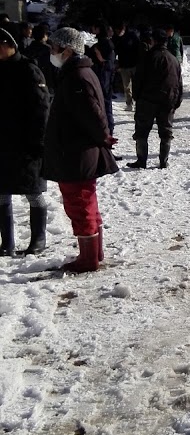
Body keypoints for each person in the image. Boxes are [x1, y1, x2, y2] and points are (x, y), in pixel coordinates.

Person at [43, 27, 118, 273]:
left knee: (80, 204)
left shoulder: (76, 77)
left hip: (76, 153)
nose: (51, 53)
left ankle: (88, 259)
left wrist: (103, 137)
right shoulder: (80, 72)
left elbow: (93, 115)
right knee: (87, 202)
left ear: (66, 49)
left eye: (54, 48)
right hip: (78, 151)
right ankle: (94, 252)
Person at [0, 27, 50, 256]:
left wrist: (38, 142)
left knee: (34, 192)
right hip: (3, 142)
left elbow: (41, 110)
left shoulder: (29, 70)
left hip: (26, 144)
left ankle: (38, 240)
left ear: (8, 45)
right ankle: (6, 243)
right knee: (1, 192)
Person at [127, 29, 182, 170]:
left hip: (147, 100)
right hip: (168, 100)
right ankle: (163, 161)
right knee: (166, 132)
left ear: (153, 41)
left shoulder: (147, 57)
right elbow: (179, 82)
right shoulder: (173, 59)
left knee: (142, 131)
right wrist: (177, 100)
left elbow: (138, 79)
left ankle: (141, 161)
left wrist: (136, 96)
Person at [87, 20, 116, 133]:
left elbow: (106, 61)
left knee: (102, 103)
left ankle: (106, 128)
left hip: (102, 76)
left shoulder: (102, 44)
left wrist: (99, 57)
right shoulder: (108, 42)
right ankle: (108, 127)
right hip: (106, 76)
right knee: (105, 103)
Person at [112, 21, 140, 111]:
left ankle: (138, 103)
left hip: (134, 64)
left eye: (119, 31)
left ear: (123, 29)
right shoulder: (116, 37)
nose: (118, 33)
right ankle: (129, 103)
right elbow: (114, 50)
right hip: (123, 65)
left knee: (136, 85)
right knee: (126, 86)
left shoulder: (132, 35)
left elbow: (138, 48)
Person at [25, 22, 56, 94]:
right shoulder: (49, 49)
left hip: (32, 80)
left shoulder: (28, 48)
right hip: (48, 81)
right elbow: (54, 68)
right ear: (44, 35)